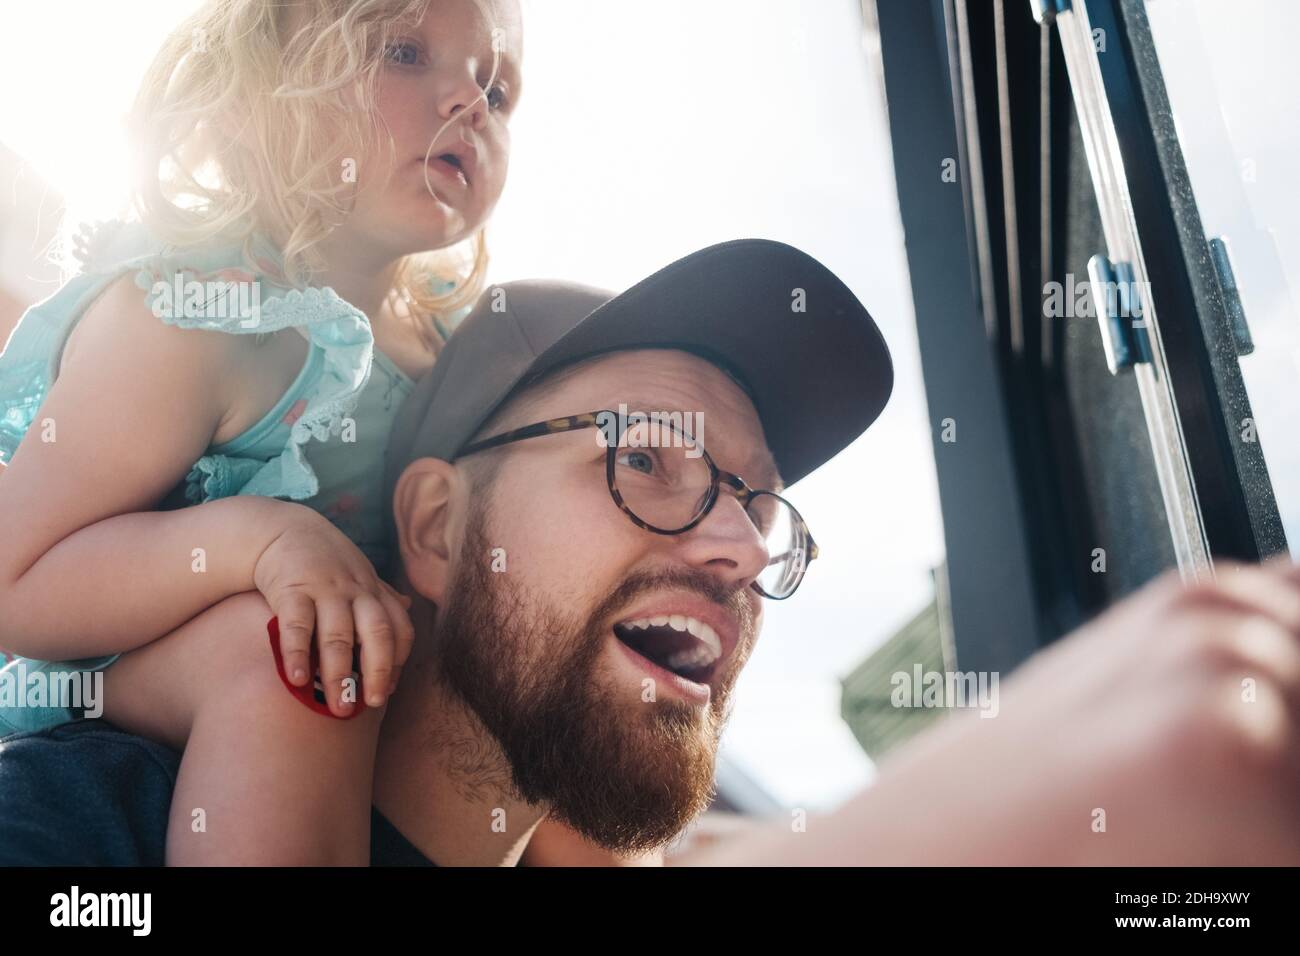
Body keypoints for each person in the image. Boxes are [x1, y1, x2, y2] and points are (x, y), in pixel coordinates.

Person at [4, 240, 1300, 865]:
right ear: (444, 530)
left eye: (757, 502)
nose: (739, 544)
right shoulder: (95, 823)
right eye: (648, 459)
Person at [0, 0, 525, 864]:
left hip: (350, 738)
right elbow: (18, 582)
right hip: (115, 696)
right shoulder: (197, 319)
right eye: (402, 52)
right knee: (300, 652)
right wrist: (260, 537)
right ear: (254, 93)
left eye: (496, 87)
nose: (466, 100)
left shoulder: (451, 347)